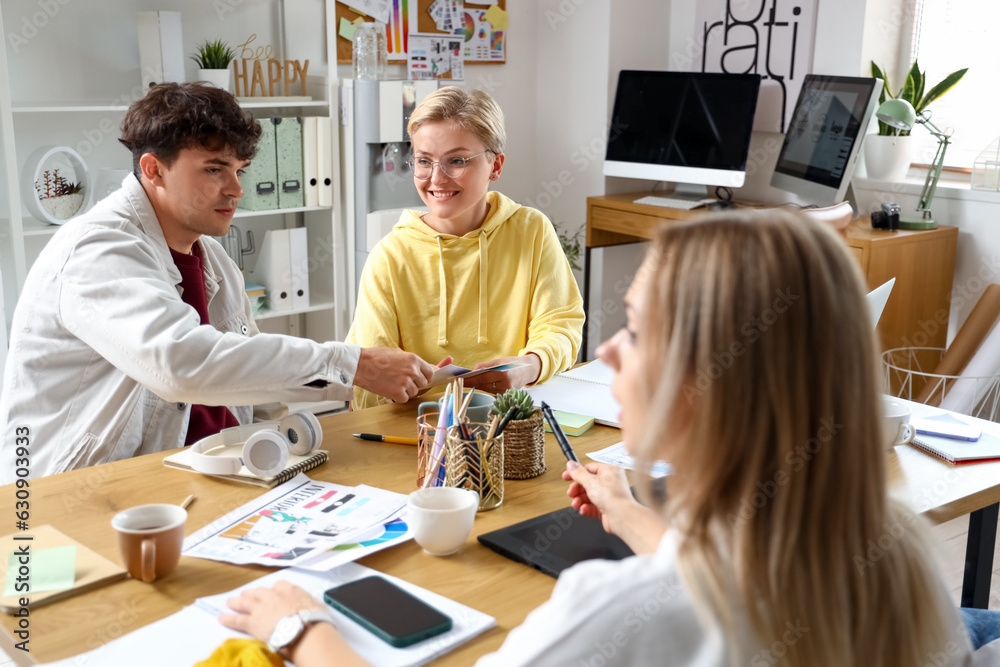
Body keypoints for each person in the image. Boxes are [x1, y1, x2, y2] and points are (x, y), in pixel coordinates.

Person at [219, 211, 979, 665]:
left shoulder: (613, 609)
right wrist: (632, 515)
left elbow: (687, 594)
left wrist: (300, 623)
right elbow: (723, 576)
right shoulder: (895, 551)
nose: (608, 350)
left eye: (640, 331)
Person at [0, 82, 435, 481]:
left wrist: (282, 450)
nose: (236, 189)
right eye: (214, 170)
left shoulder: (213, 258)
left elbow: (250, 389)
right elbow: (179, 364)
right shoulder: (97, 249)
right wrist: (352, 365)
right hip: (80, 496)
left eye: (240, 170)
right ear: (153, 169)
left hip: (207, 475)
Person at [346, 86, 584, 409]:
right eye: (423, 161)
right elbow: (368, 384)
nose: (437, 178)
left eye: (456, 160)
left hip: (512, 421)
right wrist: (401, 384)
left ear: (495, 166)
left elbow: (561, 324)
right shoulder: (388, 258)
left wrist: (529, 366)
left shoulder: (532, 231)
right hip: (420, 434)